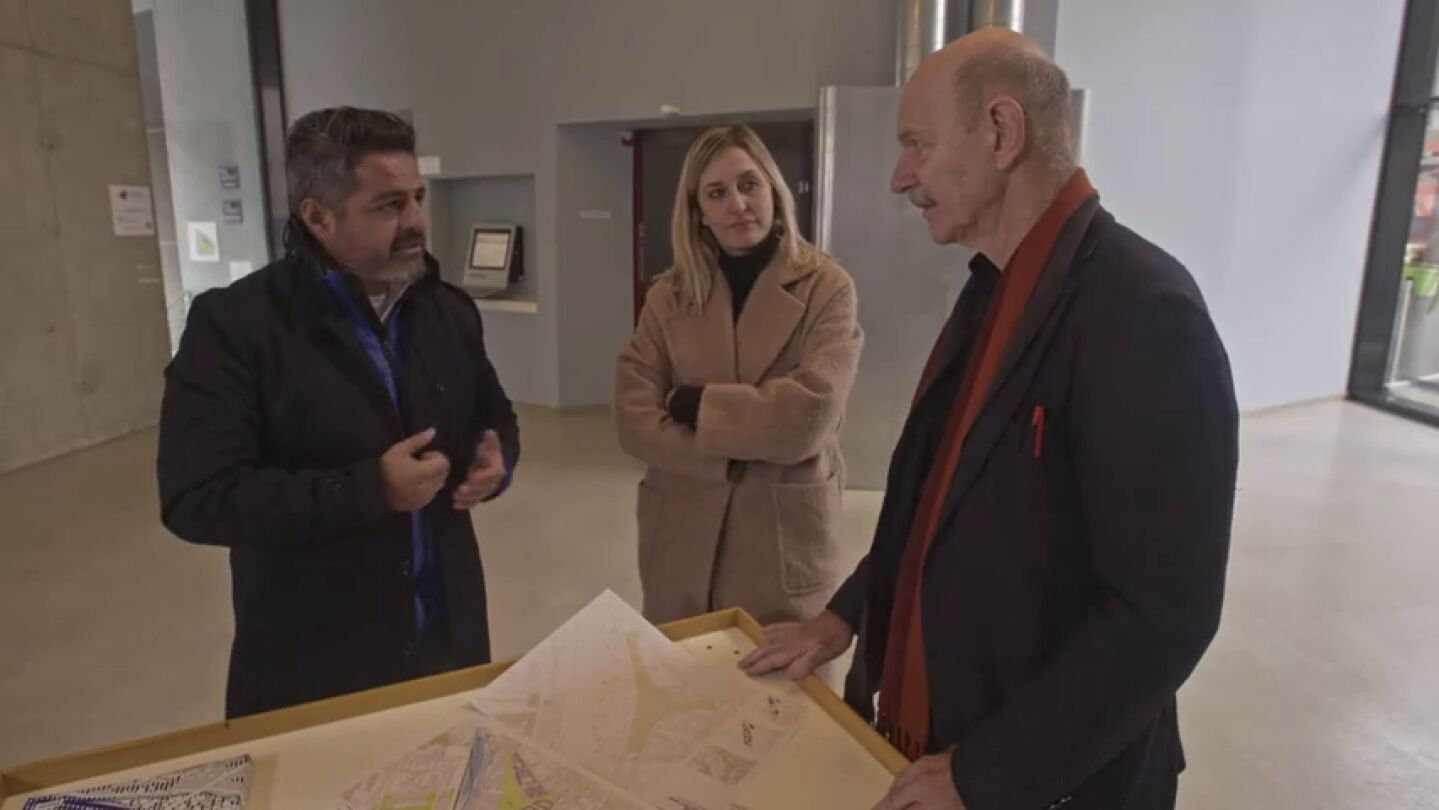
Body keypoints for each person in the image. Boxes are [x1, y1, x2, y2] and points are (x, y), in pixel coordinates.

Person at [740, 29, 1238, 810]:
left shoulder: (1144, 310)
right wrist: (840, 618)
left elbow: (1161, 615)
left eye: (917, 144)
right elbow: (935, 506)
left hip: (1048, 781)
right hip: (940, 736)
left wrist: (989, 772)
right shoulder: (990, 289)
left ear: (1001, 132)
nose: (900, 176)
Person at [157, 107, 520, 718]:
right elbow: (197, 497)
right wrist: (372, 489)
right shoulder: (236, 326)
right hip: (317, 665)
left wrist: (498, 453)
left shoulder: (447, 310)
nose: (416, 221)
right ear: (318, 216)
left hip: (449, 644)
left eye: (418, 198)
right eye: (389, 205)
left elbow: (493, 411)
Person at [614, 124, 864, 626]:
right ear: (698, 213)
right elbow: (633, 417)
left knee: (779, 672)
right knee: (681, 669)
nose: (738, 204)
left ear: (774, 189)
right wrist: (744, 441)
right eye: (717, 193)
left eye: (749, 184)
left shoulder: (827, 287)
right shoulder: (667, 297)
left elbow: (807, 417)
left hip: (778, 542)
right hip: (681, 538)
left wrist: (692, 405)